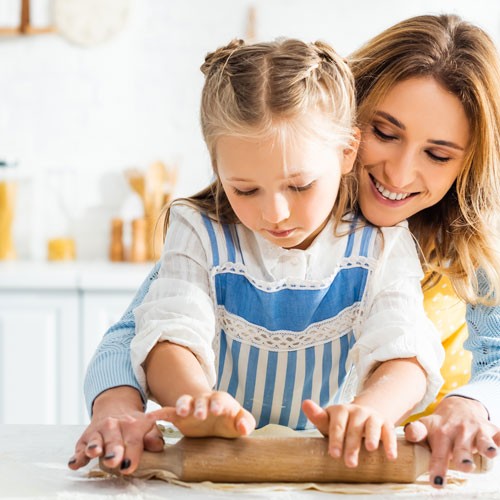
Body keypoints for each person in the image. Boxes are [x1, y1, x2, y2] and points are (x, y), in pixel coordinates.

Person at [70, 14, 500, 488]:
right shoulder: (236, 218)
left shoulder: (464, 245)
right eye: (385, 132)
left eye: (437, 155)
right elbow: (146, 329)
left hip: (396, 462)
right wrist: (119, 407)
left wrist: (472, 403)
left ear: (468, 162)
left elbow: (489, 355)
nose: (397, 174)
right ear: (347, 132)